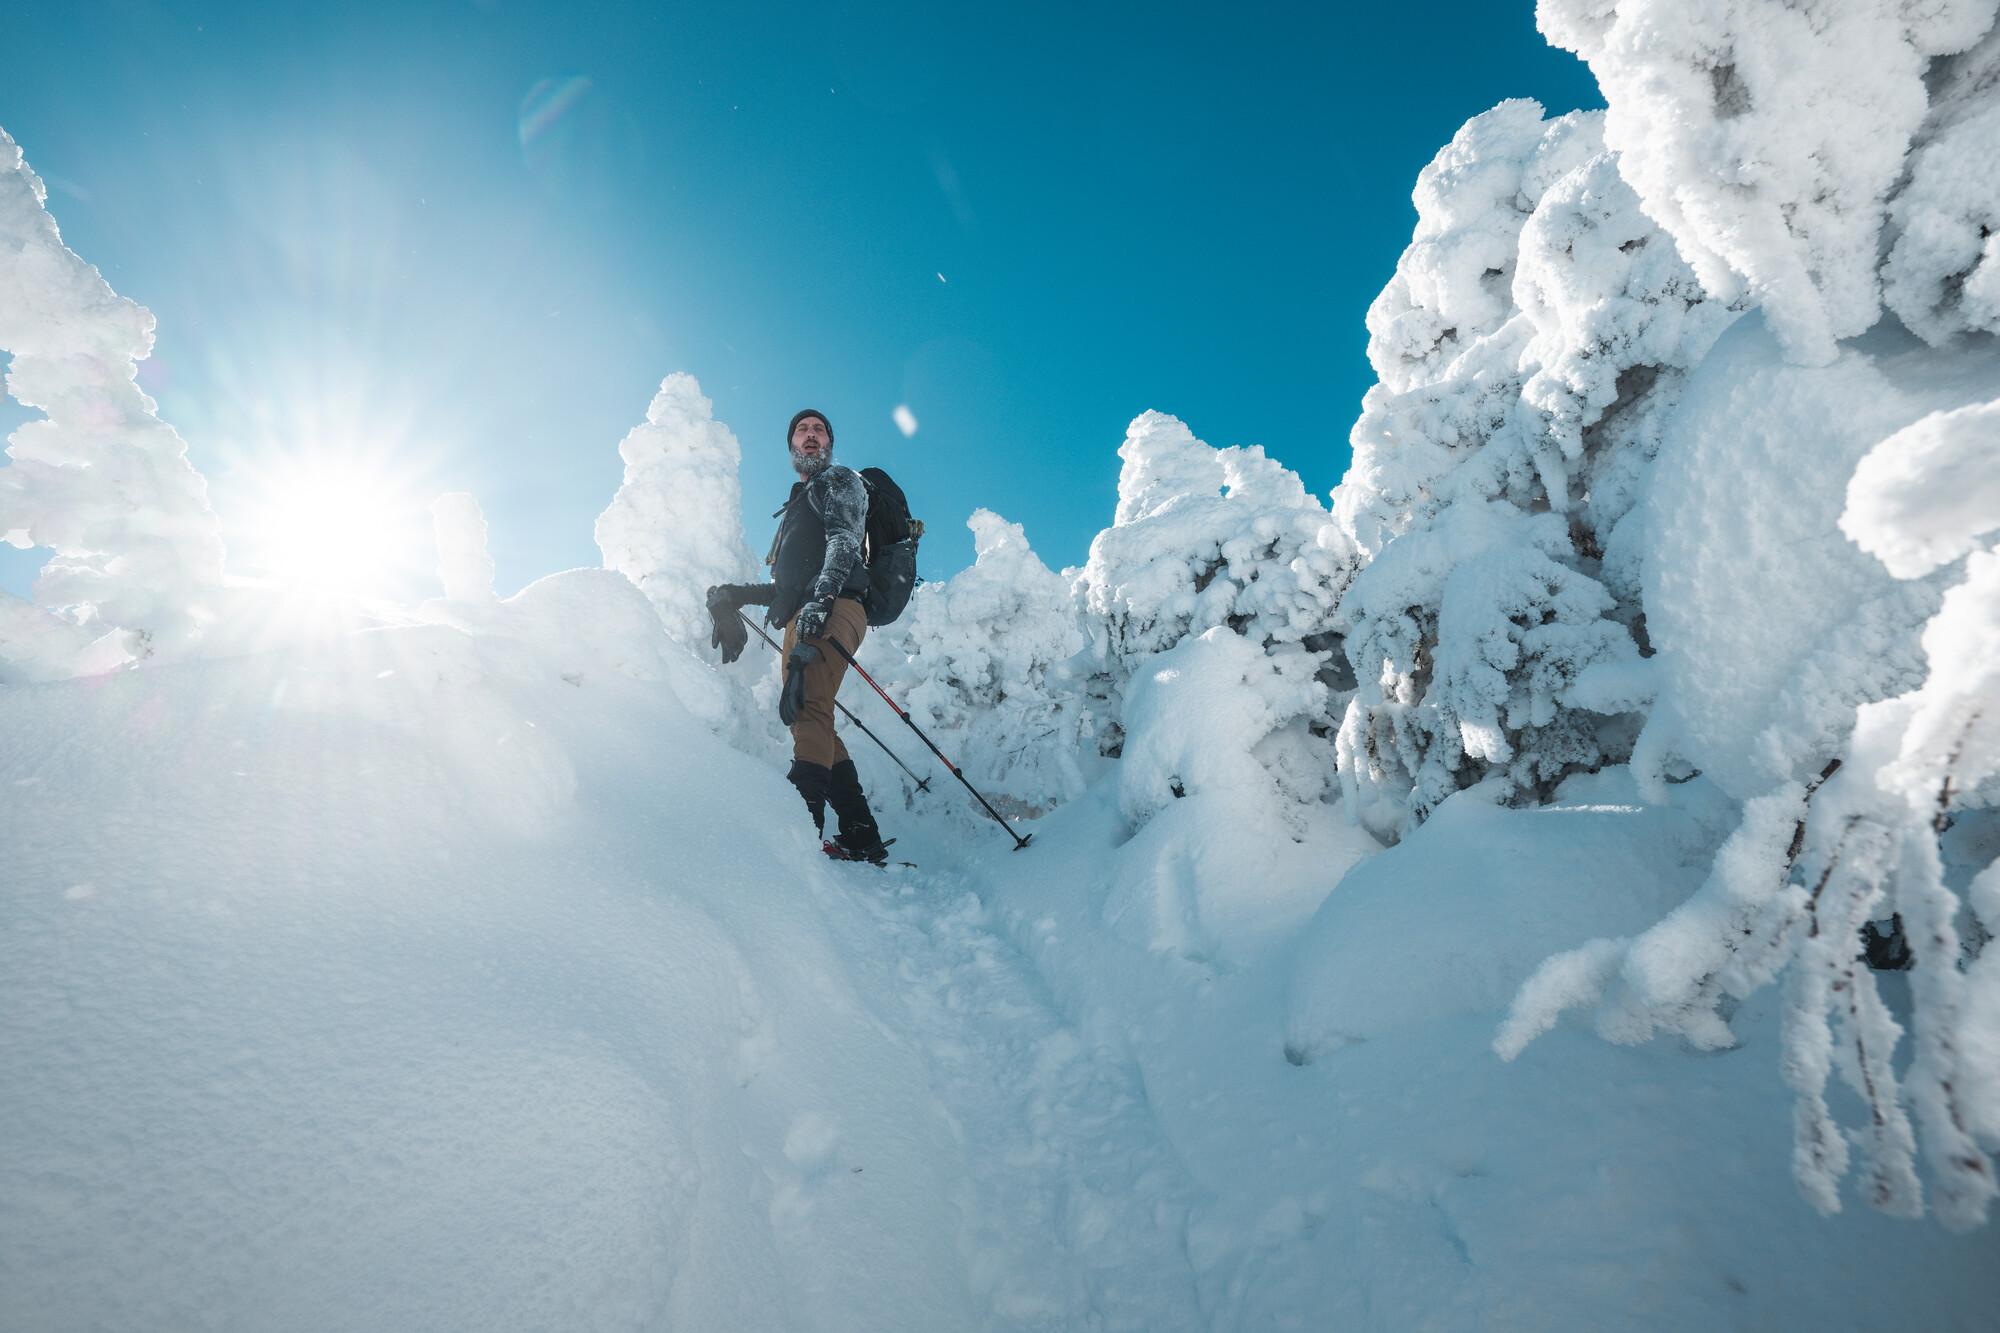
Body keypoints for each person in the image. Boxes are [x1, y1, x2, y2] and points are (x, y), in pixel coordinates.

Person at [705, 409, 890, 864]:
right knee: (813, 715)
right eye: (801, 431)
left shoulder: (839, 480)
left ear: (830, 443)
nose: (810, 435)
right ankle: (860, 832)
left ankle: (794, 839)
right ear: (791, 446)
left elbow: (845, 543)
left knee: (807, 709)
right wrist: (733, 595)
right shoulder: (800, 504)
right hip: (809, 610)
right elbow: (786, 590)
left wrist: (820, 606)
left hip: (831, 607)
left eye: (819, 429)